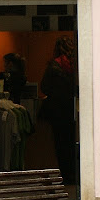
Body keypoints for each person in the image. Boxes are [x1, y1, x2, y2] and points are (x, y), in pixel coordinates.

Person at [40, 36, 77, 185]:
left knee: (60, 145)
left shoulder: (53, 66)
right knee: (71, 143)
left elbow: (44, 87)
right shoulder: (75, 65)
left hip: (56, 112)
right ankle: (73, 175)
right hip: (71, 110)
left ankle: (65, 175)